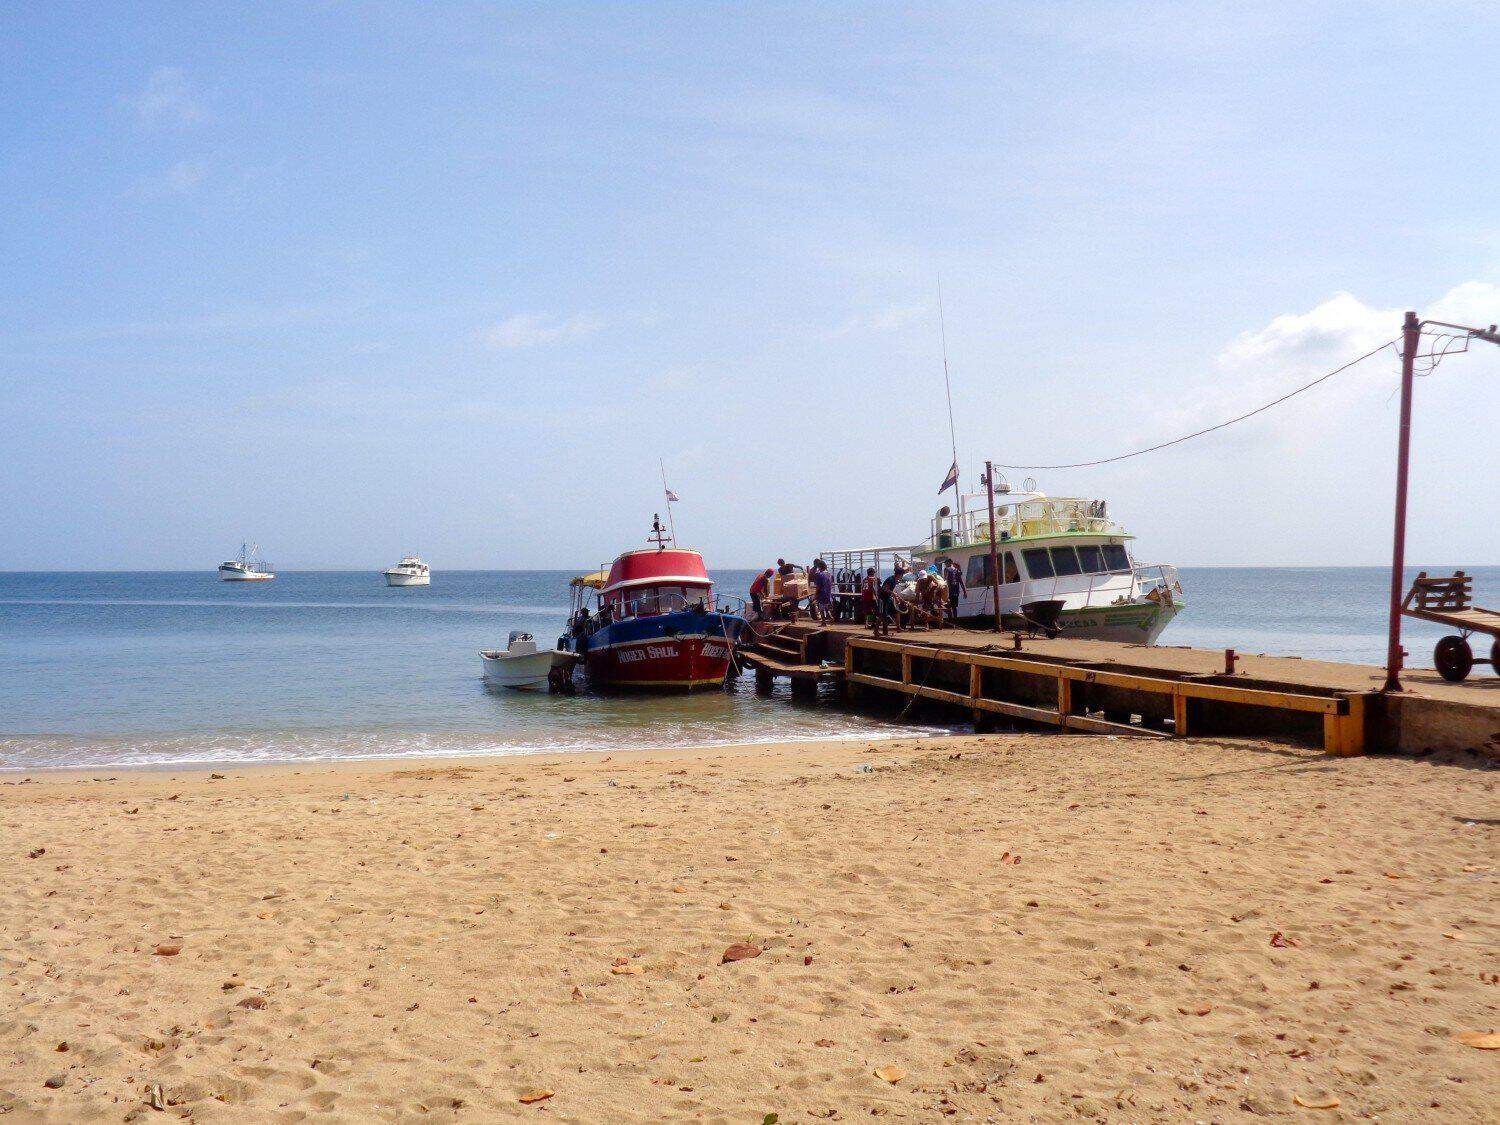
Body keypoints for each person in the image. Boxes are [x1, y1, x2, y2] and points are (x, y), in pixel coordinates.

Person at [942, 557, 966, 622]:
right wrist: (964, 591)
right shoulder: (957, 570)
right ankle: (955, 621)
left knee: (948, 606)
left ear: (950, 563)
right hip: (956, 591)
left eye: (946, 563)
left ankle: (950, 621)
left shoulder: (946, 569)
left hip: (949, 591)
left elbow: (944, 580)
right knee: (954, 607)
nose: (945, 564)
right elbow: (961, 581)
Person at [811, 558, 834, 624]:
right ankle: (831, 617)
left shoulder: (819, 575)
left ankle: (823, 622)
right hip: (828, 593)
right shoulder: (829, 574)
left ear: (819, 567)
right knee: (826, 606)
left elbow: (818, 586)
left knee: (821, 608)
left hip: (821, 593)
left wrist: (816, 595)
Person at [860, 567, 881, 634]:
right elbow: (874, 588)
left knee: (866, 611)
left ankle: (866, 624)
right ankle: (874, 623)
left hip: (864, 596)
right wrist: (876, 596)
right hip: (871, 596)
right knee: (876, 610)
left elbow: (863, 588)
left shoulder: (864, 579)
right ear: (872, 573)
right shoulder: (874, 579)